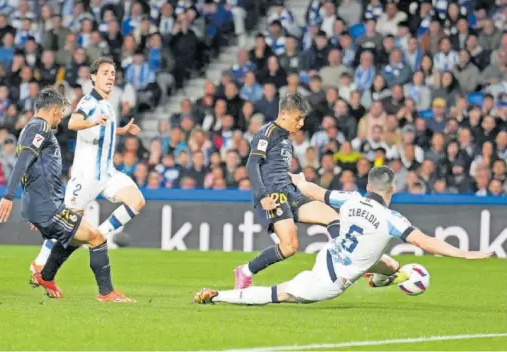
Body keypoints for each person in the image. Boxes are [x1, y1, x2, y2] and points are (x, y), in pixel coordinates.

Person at [194, 166, 491, 305]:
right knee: (279, 294)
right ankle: (219, 296)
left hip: (333, 253)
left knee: (387, 264)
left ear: (368, 185)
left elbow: (314, 191)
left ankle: (381, 277)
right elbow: (426, 243)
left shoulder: (350, 198)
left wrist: (299, 180)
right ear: (392, 191)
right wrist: (467, 253)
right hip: (329, 280)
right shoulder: (392, 218)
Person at [0, 88, 134, 302]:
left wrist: (35, 209)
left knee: (73, 238)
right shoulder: (40, 127)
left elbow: (34, 170)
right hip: (46, 207)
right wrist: (8, 196)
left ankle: (46, 276)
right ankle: (107, 293)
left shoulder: (29, 128)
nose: (61, 116)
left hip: (44, 206)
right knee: (96, 237)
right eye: (60, 111)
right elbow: (22, 162)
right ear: (52, 110)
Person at [30, 57, 145, 275]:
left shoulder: (107, 106)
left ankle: (100, 234)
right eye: (105, 73)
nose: (110, 76)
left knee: (137, 201)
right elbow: (73, 122)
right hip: (86, 176)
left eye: (112, 73)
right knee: (66, 226)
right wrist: (91, 121)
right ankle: (40, 262)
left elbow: (104, 129)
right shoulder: (88, 102)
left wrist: (122, 130)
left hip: (107, 173)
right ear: (93, 77)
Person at [234, 93, 340, 289]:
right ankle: (245, 271)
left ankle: (345, 261)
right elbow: (252, 164)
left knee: (333, 217)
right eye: (297, 118)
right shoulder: (267, 132)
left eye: (303, 119)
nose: (300, 124)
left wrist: (294, 179)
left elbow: (274, 168)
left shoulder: (286, 139)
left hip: (289, 192)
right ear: (283, 114)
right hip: (273, 196)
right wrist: (262, 196)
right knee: (289, 247)